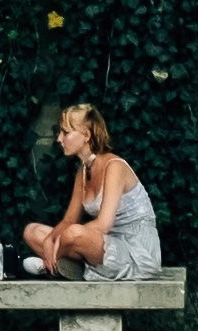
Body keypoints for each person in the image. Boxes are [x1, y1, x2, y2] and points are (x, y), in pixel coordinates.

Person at [16, 100, 160, 281]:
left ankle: (49, 266)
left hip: (134, 250)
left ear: (86, 135)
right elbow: (69, 219)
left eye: (66, 132)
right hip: (101, 244)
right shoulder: (83, 171)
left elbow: (103, 225)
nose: (59, 138)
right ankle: (66, 265)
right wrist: (50, 239)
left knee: (73, 233)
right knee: (32, 231)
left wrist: (59, 241)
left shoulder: (114, 166)